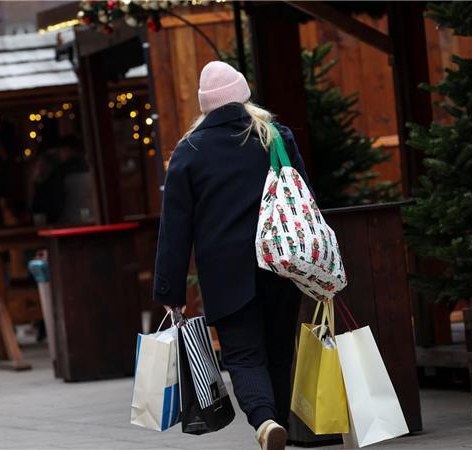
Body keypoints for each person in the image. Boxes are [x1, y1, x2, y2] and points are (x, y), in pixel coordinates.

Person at [153, 61, 314, 450]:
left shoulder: (189, 152)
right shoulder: (275, 136)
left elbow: (175, 229)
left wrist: (170, 290)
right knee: (278, 349)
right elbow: (304, 196)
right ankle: (279, 426)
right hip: (280, 262)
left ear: (205, 105)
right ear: (243, 94)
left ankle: (264, 422)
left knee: (242, 354)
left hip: (226, 274)